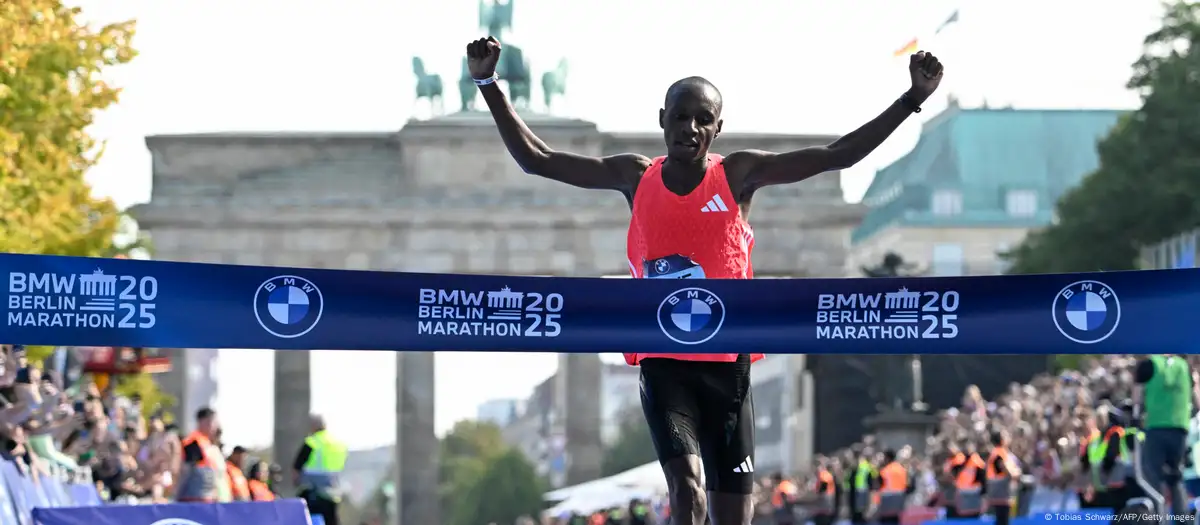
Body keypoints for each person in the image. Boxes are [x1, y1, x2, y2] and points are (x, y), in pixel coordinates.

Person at [463, 35, 943, 525]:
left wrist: (912, 99)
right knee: (687, 490)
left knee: (734, 515)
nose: (689, 128)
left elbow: (838, 155)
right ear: (662, 120)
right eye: (679, 116)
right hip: (665, 363)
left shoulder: (738, 175)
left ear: (717, 128)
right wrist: (488, 83)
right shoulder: (636, 177)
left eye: (702, 119)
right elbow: (538, 159)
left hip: (728, 370)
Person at [1133, 354, 1199, 518]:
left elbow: (1137, 391)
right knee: (1176, 477)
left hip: (1156, 427)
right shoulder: (1184, 366)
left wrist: (1136, 416)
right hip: (1180, 428)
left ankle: (1159, 518)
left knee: (1153, 476)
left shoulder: (1150, 364)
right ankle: (1183, 518)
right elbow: (1194, 394)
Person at [294, 414, 347, 525]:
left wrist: (297, 482)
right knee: (331, 520)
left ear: (313, 426)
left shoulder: (312, 442)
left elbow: (297, 466)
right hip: (333, 491)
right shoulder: (338, 444)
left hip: (313, 491)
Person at [177, 407, 230, 502]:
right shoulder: (194, 442)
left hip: (208, 498)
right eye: (214, 422)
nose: (216, 426)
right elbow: (185, 471)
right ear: (205, 421)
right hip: (195, 498)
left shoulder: (209, 444)